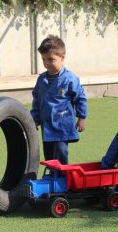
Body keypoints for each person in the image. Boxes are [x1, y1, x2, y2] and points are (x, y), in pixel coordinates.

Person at [30, 35, 87, 164]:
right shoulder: (41, 80)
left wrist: (81, 117)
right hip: (47, 126)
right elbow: (37, 101)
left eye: (51, 59)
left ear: (62, 58)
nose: (47, 63)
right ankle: (52, 178)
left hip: (63, 125)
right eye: (44, 59)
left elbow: (80, 98)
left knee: (61, 152)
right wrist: (34, 118)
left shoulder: (70, 79)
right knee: (49, 155)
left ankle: (62, 179)